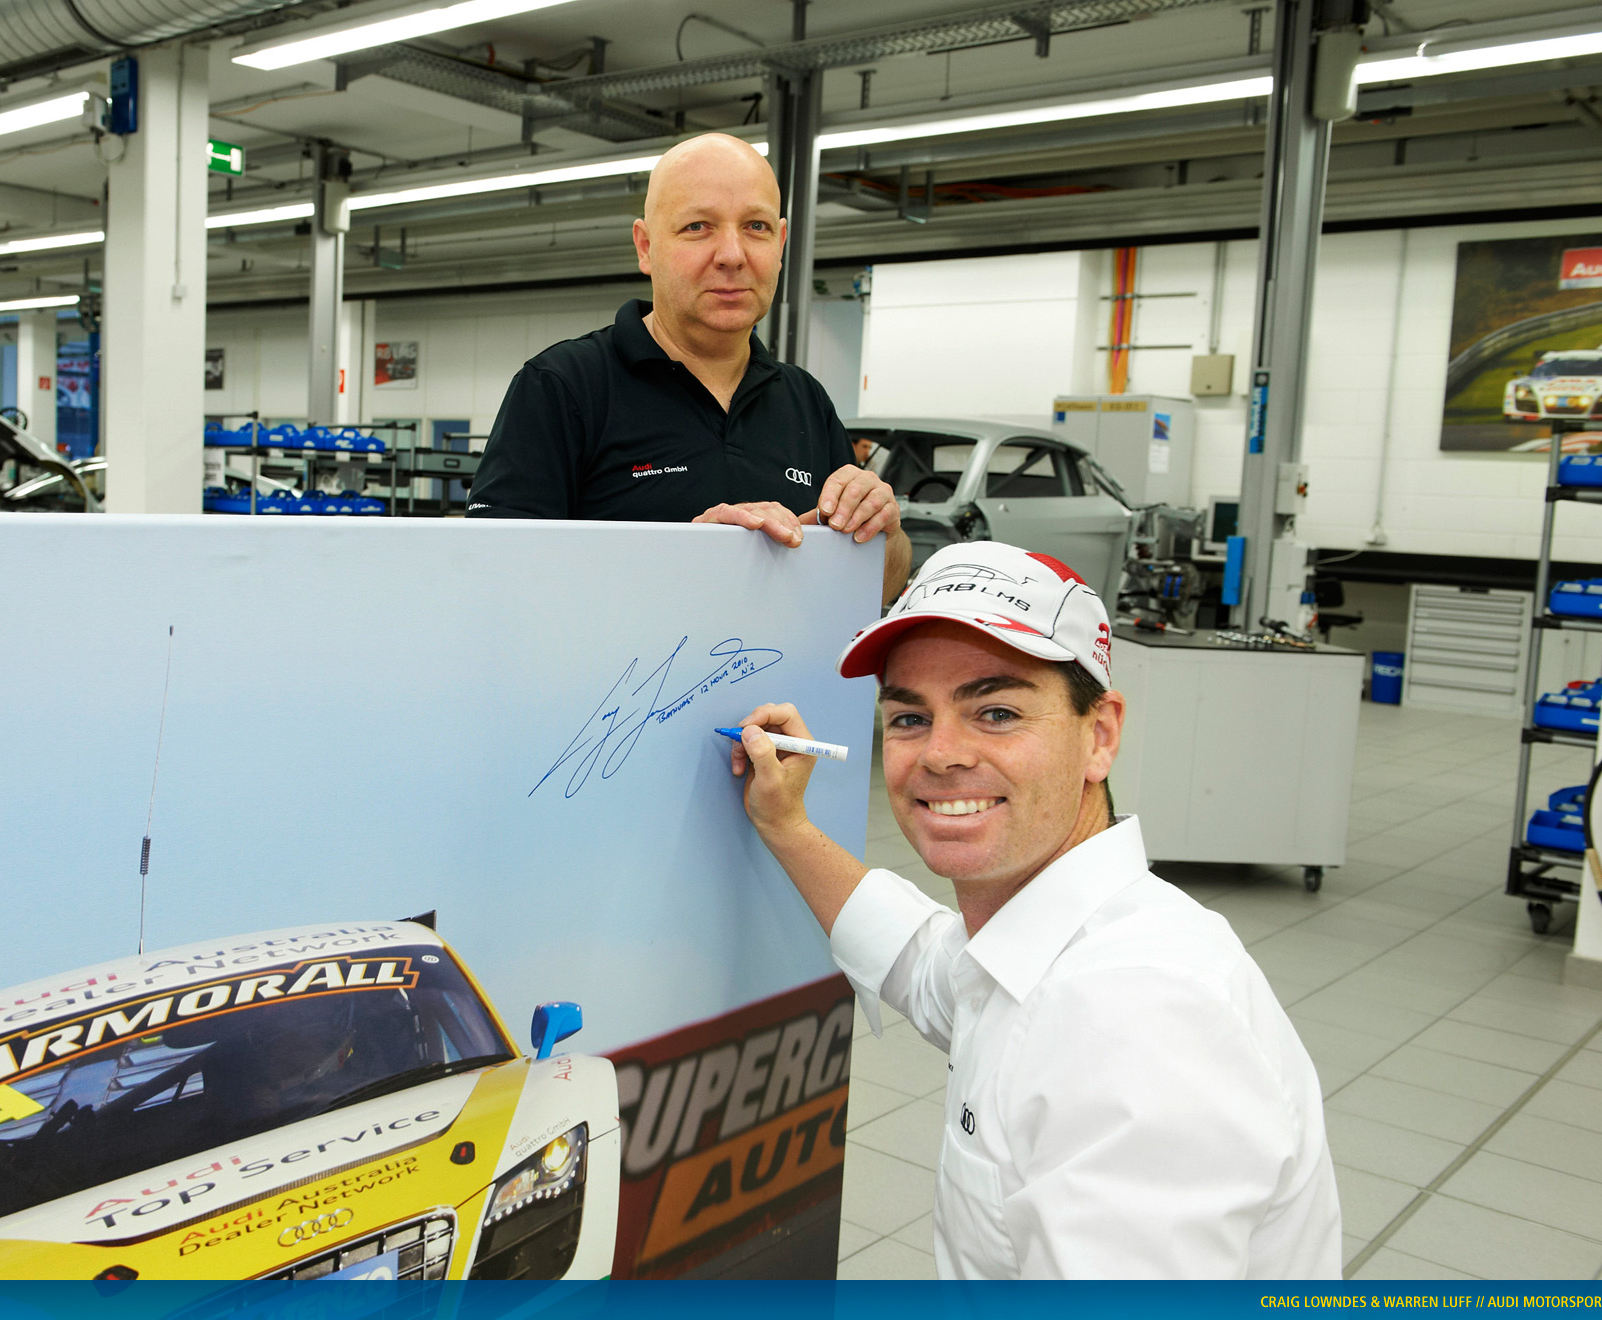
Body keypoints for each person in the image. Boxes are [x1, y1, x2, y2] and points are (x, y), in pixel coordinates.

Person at [726, 540, 1341, 1279]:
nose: (941, 754)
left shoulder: (1136, 1024)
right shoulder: (1052, 943)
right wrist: (786, 826)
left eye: (996, 711)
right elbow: (928, 966)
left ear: (1099, 735)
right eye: (910, 718)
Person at [466, 132, 912, 603]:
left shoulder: (805, 400)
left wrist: (886, 531)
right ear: (646, 247)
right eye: (698, 227)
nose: (732, 255)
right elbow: (490, 579)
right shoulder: (562, 387)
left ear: (780, 244)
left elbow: (877, 588)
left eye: (756, 226)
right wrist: (692, 555)